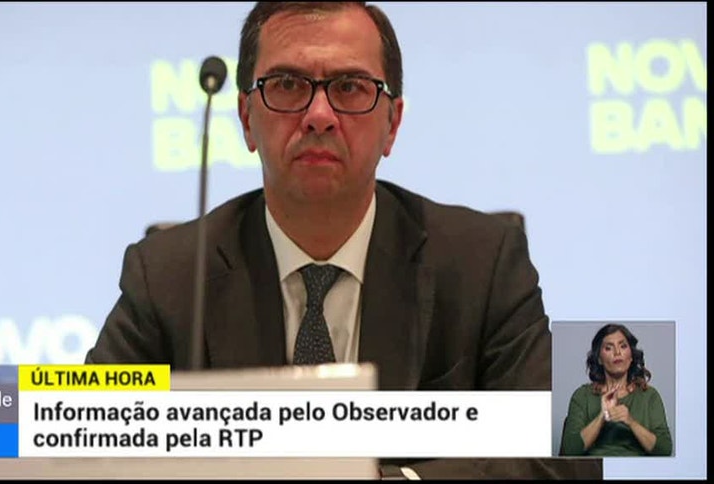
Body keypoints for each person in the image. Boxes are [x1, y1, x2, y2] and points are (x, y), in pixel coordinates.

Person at [87, 2, 601, 479]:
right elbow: (81, 440)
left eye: (350, 87)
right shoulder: (169, 275)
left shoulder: (484, 261)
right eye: (287, 84)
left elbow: (577, 452)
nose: (318, 114)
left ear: (392, 123)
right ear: (246, 119)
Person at [560, 324, 673, 456]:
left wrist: (630, 421)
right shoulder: (582, 396)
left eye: (623, 346)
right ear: (599, 359)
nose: (617, 352)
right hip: (595, 467)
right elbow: (570, 451)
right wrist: (602, 416)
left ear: (631, 356)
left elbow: (664, 450)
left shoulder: (649, 396)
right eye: (608, 348)